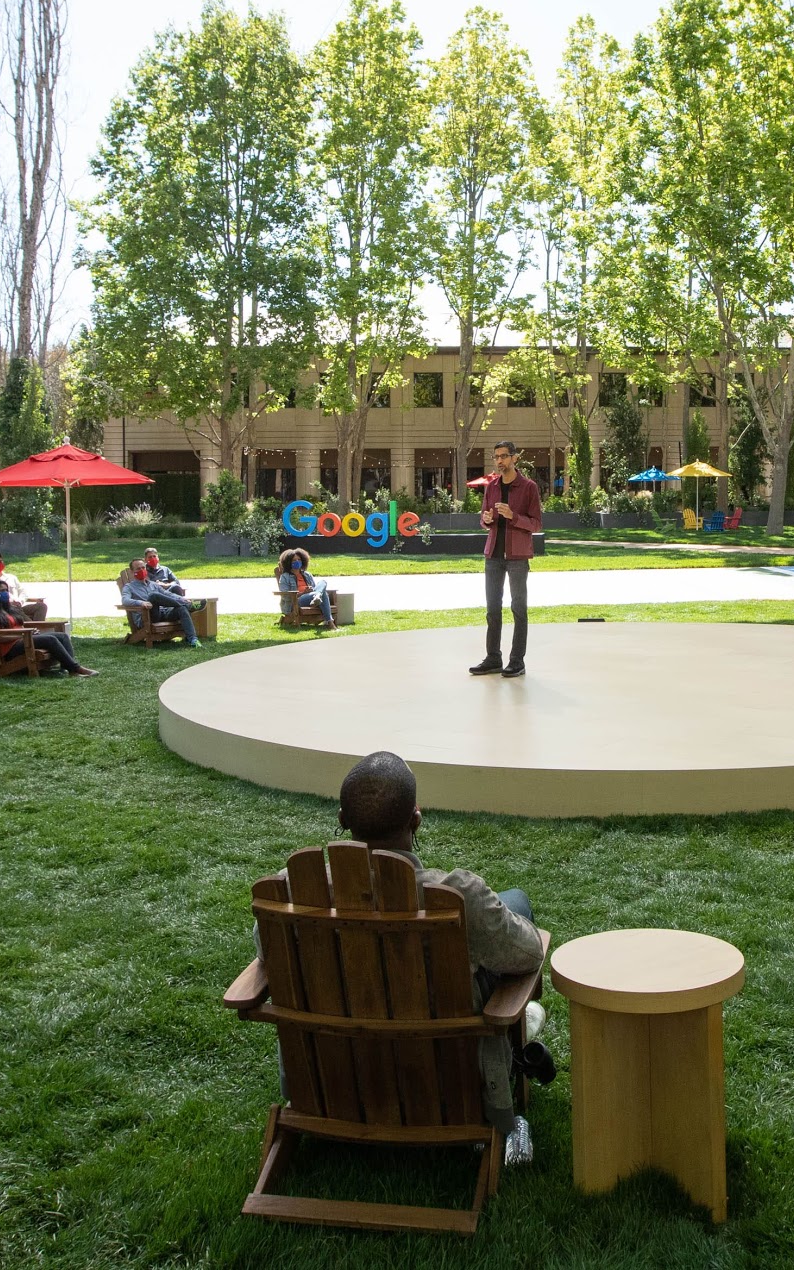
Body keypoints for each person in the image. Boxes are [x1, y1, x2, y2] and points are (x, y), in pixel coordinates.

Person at [330, 750, 549, 1163]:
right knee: (515, 905)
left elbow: (267, 958)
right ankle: (519, 1032)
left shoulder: (296, 896)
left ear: (343, 819)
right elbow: (528, 953)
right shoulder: (458, 897)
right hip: (444, 1070)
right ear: (416, 819)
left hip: (342, 1075)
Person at [470, 440, 541, 678]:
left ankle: (516, 661)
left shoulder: (529, 487)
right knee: (492, 609)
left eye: (503, 456)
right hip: (493, 556)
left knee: (518, 609)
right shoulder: (492, 487)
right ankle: (493, 658)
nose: (499, 461)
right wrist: (487, 518)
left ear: (514, 458)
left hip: (517, 556)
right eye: (496, 457)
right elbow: (483, 519)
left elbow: (536, 523)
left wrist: (514, 516)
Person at [0, 580, 95, 676]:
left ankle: (68, 669)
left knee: (63, 636)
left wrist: (29, 632)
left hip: (24, 639)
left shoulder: (8, 610)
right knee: (50, 640)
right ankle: (76, 669)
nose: (6, 593)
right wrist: (23, 634)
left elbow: (23, 623)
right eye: (2, 591)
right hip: (11, 648)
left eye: (6, 590)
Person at [120, 558, 197, 646]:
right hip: (147, 617)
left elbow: (167, 594)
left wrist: (181, 598)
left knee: (181, 609)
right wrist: (141, 603)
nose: (142, 570)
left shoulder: (153, 584)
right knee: (153, 596)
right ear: (132, 571)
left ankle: (193, 639)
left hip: (162, 613)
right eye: (138, 569)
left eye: (143, 568)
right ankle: (188, 605)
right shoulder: (129, 587)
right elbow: (125, 600)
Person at [0, 555, 49, 621]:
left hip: (19, 607)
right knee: (15, 610)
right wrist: (8, 603)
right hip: (3, 610)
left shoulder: (12, 578)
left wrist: (20, 601)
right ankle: (35, 630)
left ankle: (36, 629)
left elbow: (22, 592)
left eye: (1, 562)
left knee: (41, 606)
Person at [274, 547, 332, 625]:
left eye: (299, 560)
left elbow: (315, 588)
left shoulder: (307, 574)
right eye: (294, 560)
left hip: (311, 599)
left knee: (323, 582)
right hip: (295, 602)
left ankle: (317, 596)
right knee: (322, 593)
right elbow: (285, 596)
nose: (297, 562)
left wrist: (311, 590)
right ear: (288, 562)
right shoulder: (285, 577)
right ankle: (330, 623)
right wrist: (303, 593)